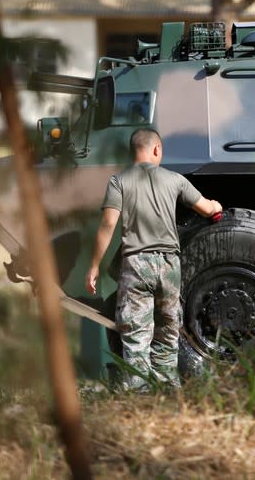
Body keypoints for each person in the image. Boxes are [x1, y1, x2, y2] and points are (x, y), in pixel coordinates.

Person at [85, 128, 222, 391]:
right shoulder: (175, 180)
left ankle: (140, 393)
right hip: (170, 265)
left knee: (136, 332)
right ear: (157, 149)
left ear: (132, 151)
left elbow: (107, 225)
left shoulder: (119, 182)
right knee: (168, 330)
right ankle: (168, 389)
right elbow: (206, 208)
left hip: (136, 265)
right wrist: (216, 207)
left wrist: (94, 267)